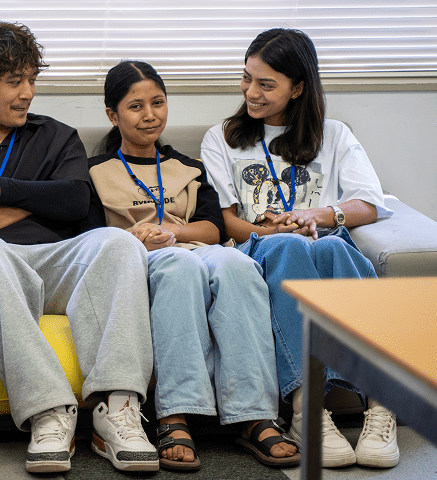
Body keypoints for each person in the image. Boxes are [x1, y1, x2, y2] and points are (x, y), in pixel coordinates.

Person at [0, 21, 159, 474]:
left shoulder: (56, 135)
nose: (27, 93)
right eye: (14, 81)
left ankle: (118, 409)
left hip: (57, 261)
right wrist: (34, 200)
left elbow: (75, 201)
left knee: (118, 242)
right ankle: (49, 412)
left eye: (31, 80)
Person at [81, 60, 299, 471]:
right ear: (113, 115)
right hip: (137, 260)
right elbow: (89, 237)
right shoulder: (92, 173)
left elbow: (214, 228)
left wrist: (172, 231)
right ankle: (175, 414)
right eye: (135, 107)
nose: (150, 115)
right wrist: (138, 238)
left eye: (158, 103)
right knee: (179, 268)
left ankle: (254, 414)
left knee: (237, 264)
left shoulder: (188, 168)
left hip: (194, 247)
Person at [201, 28, 399, 469]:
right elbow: (226, 220)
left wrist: (316, 215)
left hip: (318, 242)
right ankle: (307, 409)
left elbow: (369, 204)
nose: (251, 92)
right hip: (259, 250)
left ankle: (381, 405)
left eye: (266, 84)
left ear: (298, 88)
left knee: (335, 250)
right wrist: (273, 233)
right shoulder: (223, 138)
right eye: (247, 78)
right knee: (291, 247)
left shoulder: (334, 135)